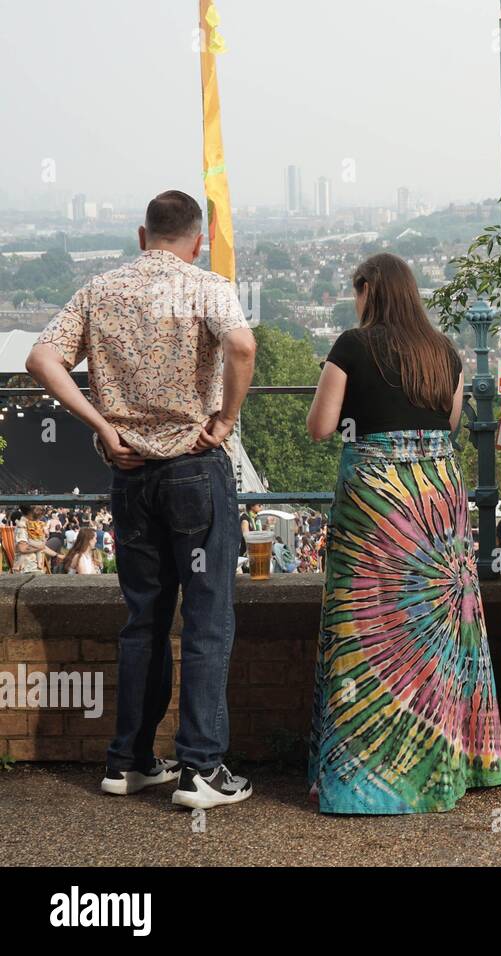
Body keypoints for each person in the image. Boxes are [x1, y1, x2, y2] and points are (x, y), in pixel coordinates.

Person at [26, 189, 258, 809]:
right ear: (198, 239)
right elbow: (241, 347)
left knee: (144, 621)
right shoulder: (205, 287)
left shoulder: (100, 291)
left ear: (141, 235)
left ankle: (127, 760)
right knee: (207, 619)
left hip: (129, 474)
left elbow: (41, 357)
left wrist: (102, 425)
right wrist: (227, 417)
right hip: (193, 469)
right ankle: (202, 770)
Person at [306, 252, 501, 813]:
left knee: (364, 623)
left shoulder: (351, 345)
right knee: (434, 629)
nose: (355, 301)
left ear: (371, 290)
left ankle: (360, 783)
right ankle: (437, 771)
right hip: (438, 497)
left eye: (357, 290)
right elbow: (448, 425)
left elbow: (322, 427)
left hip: (376, 497)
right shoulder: (444, 350)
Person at [13, 505, 59, 574]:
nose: (42, 509)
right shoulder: (22, 526)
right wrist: (41, 546)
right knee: (56, 541)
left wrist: (57, 555)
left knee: (56, 541)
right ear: (30, 510)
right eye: (39, 507)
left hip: (33, 568)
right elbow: (23, 548)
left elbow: (39, 546)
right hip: (27, 570)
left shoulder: (32, 523)